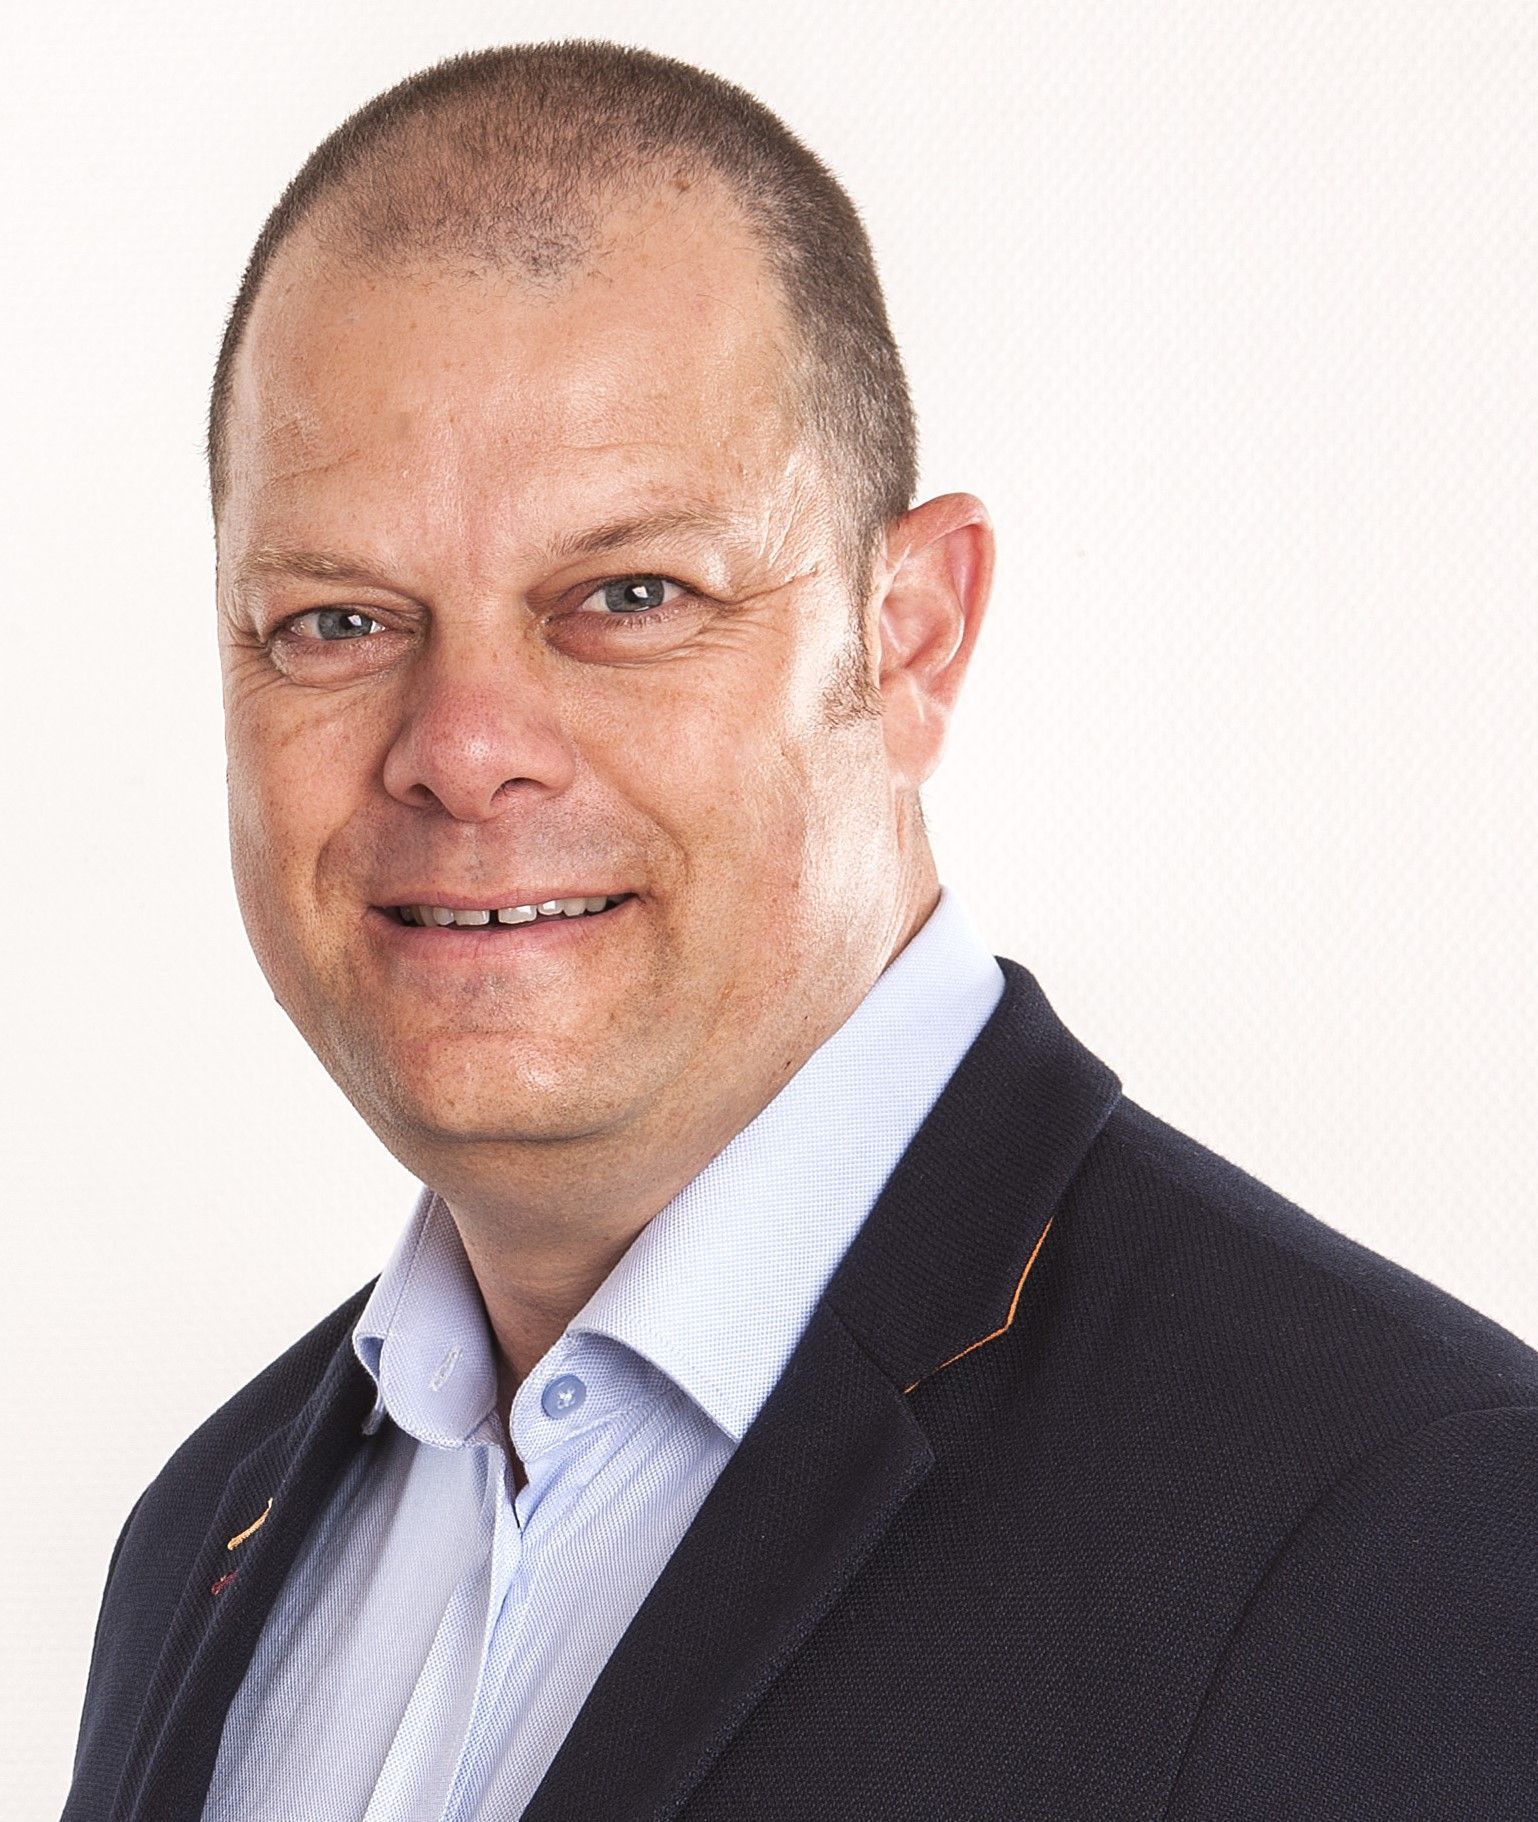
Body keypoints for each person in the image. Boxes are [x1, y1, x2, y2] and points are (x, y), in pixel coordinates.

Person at [65, 39, 1537, 1822]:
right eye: (336, 620)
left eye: (627, 594)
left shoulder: (1403, 1528)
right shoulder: (199, 1541)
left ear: (911, 636)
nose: (459, 750)